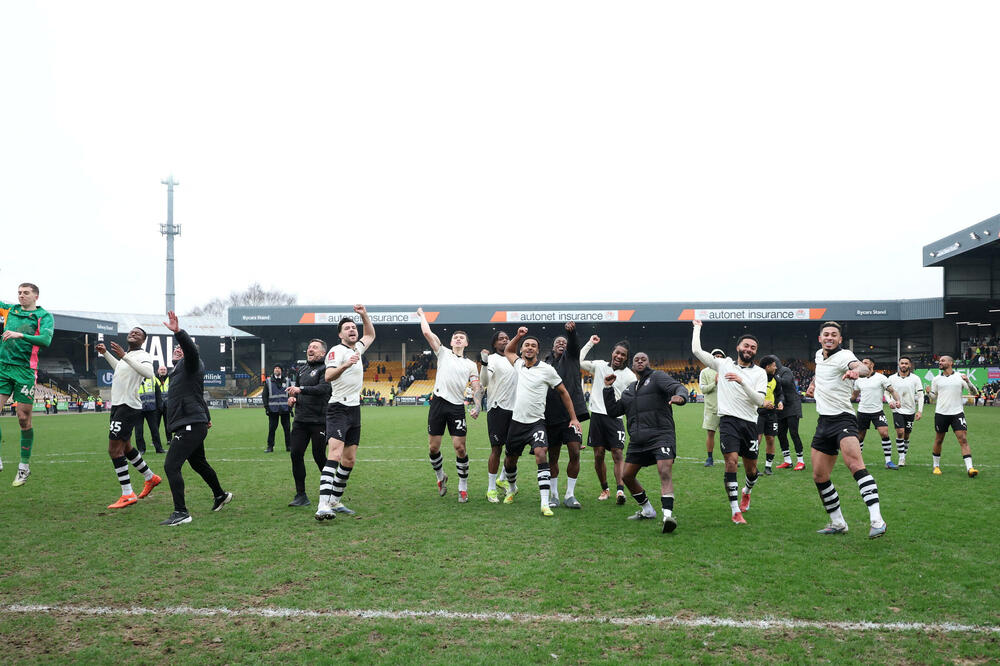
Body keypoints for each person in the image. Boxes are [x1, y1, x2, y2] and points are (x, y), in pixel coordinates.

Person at [804, 321, 886, 539]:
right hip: (824, 422)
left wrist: (855, 372)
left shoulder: (844, 355)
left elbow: (863, 367)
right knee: (820, 475)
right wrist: (813, 384)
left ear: (839, 340)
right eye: (826, 334)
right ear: (820, 338)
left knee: (855, 465)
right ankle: (838, 522)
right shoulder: (818, 356)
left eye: (834, 335)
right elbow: (821, 373)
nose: (829, 337)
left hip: (843, 420)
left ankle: (877, 520)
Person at [159, 311, 232, 526]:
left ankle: (181, 512)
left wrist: (179, 333)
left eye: (181, 348)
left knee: (171, 466)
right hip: (192, 422)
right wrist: (206, 416)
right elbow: (195, 394)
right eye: (176, 348)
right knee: (198, 462)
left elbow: (190, 350)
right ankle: (220, 494)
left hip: (189, 424)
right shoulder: (179, 372)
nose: (177, 349)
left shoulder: (191, 363)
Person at [603, 352, 688, 532]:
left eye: (644, 359)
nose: (640, 361)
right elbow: (613, 411)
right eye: (636, 359)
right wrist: (608, 389)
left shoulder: (657, 377)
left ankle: (668, 517)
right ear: (632, 366)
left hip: (661, 435)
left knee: (664, 470)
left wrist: (681, 397)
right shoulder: (629, 390)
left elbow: (677, 387)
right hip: (638, 441)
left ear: (649, 363)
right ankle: (648, 510)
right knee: (626, 476)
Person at [691, 320, 766, 525]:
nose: (749, 350)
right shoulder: (723, 364)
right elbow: (696, 350)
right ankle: (735, 510)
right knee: (731, 462)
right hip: (728, 421)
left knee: (751, 470)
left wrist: (741, 381)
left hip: (750, 423)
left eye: (753, 348)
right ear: (738, 347)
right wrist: (697, 327)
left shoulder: (760, 373)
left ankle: (746, 491)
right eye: (746, 346)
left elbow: (759, 400)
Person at [500, 327, 581, 517]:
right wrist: (519, 336)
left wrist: (574, 418)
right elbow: (508, 351)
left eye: (533, 346)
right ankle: (512, 488)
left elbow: (563, 392)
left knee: (541, 453)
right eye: (526, 345)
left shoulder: (548, 370)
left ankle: (545, 502)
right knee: (510, 460)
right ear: (522, 350)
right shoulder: (518, 364)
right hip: (517, 422)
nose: (529, 348)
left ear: (538, 351)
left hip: (537, 422)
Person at [315, 306, 375, 520]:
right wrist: (346, 366)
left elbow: (370, 334)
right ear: (340, 334)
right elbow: (328, 376)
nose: (352, 330)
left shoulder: (358, 348)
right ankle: (323, 505)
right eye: (347, 328)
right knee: (336, 454)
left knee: (349, 460)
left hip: (354, 410)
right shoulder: (336, 351)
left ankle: (335, 500)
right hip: (338, 408)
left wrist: (364, 315)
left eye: (353, 327)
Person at [417, 307, 481, 503]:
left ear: (467, 343)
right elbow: (427, 333)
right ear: (451, 342)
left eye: (462, 337)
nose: (458, 339)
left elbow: (477, 386)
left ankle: (463, 486)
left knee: (459, 448)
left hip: (456, 407)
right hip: (438, 404)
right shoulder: (443, 353)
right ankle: (440, 477)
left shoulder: (471, 364)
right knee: (433, 448)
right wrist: (422, 316)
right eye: (455, 337)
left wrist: (477, 405)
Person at [97, 329, 163, 509]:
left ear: (143, 340)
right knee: (125, 447)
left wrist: (125, 356)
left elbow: (149, 374)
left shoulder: (143, 355)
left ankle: (127, 494)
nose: (133, 334)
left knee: (114, 450)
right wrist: (106, 354)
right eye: (132, 332)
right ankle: (151, 477)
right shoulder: (129, 357)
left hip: (127, 405)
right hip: (119, 405)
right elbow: (119, 368)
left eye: (138, 333)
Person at [0, 283, 54, 485]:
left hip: (25, 371)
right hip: (3, 367)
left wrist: (20, 334)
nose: (21, 296)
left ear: (36, 296)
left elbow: (45, 340)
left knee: (23, 418)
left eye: (26, 293)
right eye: (19, 293)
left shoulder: (43, 316)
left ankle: (24, 467)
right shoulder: (9, 309)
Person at [580, 334, 636, 504]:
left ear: (627, 358)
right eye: (617, 353)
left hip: (615, 417)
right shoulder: (599, 366)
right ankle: (605, 488)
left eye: (623, 355)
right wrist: (590, 343)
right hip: (597, 416)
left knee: (618, 453)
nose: (619, 356)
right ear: (612, 352)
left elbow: (633, 397)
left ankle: (620, 490)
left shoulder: (629, 376)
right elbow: (579, 360)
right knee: (598, 455)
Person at [543, 321, 589, 509]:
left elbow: (574, 344)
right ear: (552, 347)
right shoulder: (545, 363)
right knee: (552, 456)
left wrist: (571, 333)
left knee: (575, 452)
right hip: (551, 414)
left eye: (564, 342)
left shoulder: (572, 357)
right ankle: (554, 495)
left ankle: (570, 494)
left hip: (573, 414)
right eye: (558, 342)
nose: (561, 344)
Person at [285, 339, 332, 507]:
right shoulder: (302, 370)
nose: (310, 349)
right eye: (309, 347)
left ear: (322, 352)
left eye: (314, 347)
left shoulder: (326, 369)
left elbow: (323, 389)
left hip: (319, 421)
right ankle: (301, 495)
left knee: (319, 456)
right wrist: (292, 398)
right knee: (295, 454)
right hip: (300, 420)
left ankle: (331, 491)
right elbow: (297, 390)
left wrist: (301, 390)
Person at [479, 331, 516, 503]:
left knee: (513, 451)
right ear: (495, 344)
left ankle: (502, 478)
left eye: (507, 338)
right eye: (501, 339)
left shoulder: (517, 359)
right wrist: (484, 363)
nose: (505, 341)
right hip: (497, 408)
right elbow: (484, 382)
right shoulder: (493, 359)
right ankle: (491, 489)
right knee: (496, 449)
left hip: (517, 410)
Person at [928, 355, 979, 477]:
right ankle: (936, 466)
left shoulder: (960, 377)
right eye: (939, 361)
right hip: (941, 413)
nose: (940, 362)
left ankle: (970, 468)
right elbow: (933, 397)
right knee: (939, 440)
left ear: (951, 363)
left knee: (963, 439)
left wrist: (968, 381)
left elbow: (975, 393)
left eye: (942, 360)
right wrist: (928, 392)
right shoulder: (936, 379)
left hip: (957, 413)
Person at [852, 358, 902, 469]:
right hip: (862, 411)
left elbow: (892, 391)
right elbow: (854, 396)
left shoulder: (881, 378)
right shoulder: (858, 380)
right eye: (862, 363)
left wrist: (897, 400)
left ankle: (888, 462)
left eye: (866, 363)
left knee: (884, 433)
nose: (863, 364)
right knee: (860, 437)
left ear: (872, 364)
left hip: (877, 411)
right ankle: (858, 462)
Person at [887, 356, 924, 467]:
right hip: (897, 410)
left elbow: (921, 396)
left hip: (910, 410)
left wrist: (920, 411)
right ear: (899, 364)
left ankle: (903, 455)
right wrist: (890, 401)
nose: (903, 365)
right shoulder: (891, 378)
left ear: (910, 365)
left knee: (907, 435)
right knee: (900, 432)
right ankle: (901, 458)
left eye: (906, 363)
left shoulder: (916, 378)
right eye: (902, 363)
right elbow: (886, 393)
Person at [774, 358, 806, 471]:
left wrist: (774, 377)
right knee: (781, 433)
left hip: (792, 405)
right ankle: (787, 460)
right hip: (781, 406)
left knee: (793, 433)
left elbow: (786, 382)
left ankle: (801, 461)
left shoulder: (785, 371)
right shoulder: (772, 374)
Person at [757, 355, 784, 475]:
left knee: (771, 439)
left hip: (771, 414)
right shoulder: (756, 378)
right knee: (756, 440)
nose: (776, 367)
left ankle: (768, 467)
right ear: (767, 367)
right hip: (757, 413)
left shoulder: (776, 379)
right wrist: (763, 403)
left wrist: (780, 402)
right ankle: (753, 466)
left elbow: (780, 394)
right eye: (774, 365)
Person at [698, 349, 725, 467]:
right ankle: (710, 458)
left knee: (727, 435)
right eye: (715, 356)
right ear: (711, 358)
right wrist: (714, 383)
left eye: (720, 356)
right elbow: (703, 389)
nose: (718, 357)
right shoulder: (704, 372)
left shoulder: (727, 371)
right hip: (711, 408)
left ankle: (729, 457)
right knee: (710, 433)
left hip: (726, 408)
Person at [135, 372, 166, 454]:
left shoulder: (152, 379)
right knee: (138, 431)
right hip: (138, 409)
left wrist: (159, 406)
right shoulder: (134, 380)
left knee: (155, 430)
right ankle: (141, 449)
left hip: (151, 409)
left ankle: (159, 449)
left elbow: (158, 392)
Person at [262, 364, 291, 452]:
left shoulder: (287, 381)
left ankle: (289, 446)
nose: (277, 369)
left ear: (281, 370)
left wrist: (290, 406)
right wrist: (266, 407)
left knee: (287, 429)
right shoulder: (268, 381)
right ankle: (270, 447)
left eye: (278, 368)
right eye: (275, 368)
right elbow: (265, 395)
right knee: (272, 429)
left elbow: (291, 394)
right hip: (273, 409)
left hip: (285, 408)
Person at [153, 366, 171, 444]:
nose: (163, 371)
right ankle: (155, 441)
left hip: (168, 405)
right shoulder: (154, 378)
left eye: (164, 370)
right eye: (161, 369)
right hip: (157, 405)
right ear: (158, 370)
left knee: (168, 424)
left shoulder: (170, 378)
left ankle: (169, 440)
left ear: (166, 371)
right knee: (155, 424)